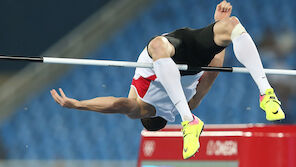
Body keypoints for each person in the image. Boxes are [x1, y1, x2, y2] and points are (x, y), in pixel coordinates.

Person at [50, 0, 285, 159]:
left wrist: (217, 28)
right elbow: (118, 104)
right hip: (177, 48)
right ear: (147, 116)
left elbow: (214, 70)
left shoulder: (191, 103)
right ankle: (264, 90)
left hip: (189, 50)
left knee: (231, 27)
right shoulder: (143, 105)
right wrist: (79, 104)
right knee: (229, 28)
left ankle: (266, 93)